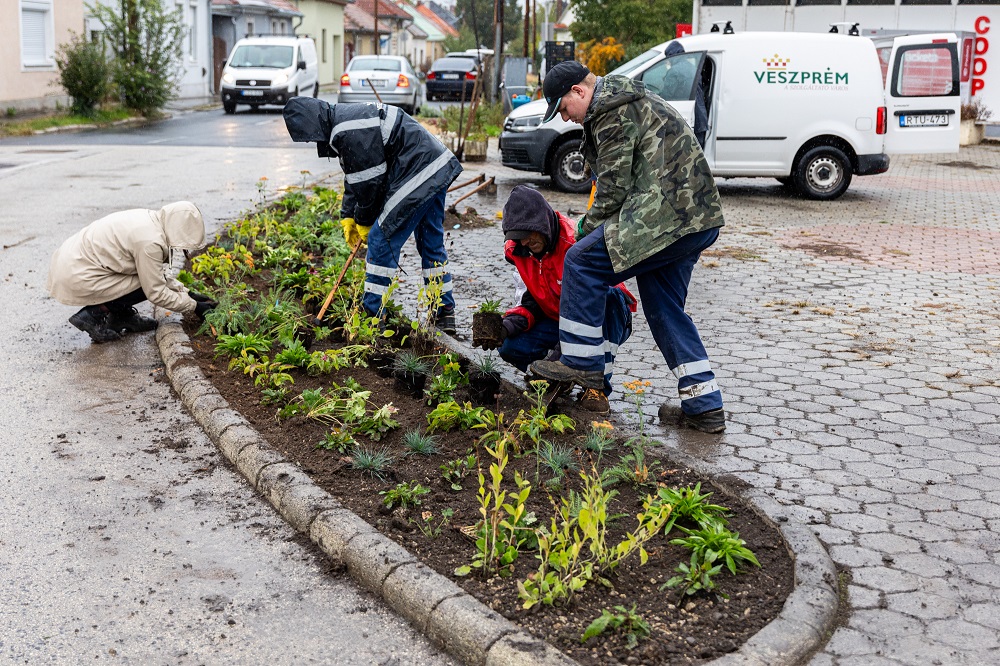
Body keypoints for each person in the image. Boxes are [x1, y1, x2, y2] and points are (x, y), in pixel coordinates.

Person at [528, 61, 727, 433]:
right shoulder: (624, 99)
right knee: (664, 307)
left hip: (666, 216)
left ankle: (582, 364)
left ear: (579, 91)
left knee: (580, 262)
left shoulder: (611, 111)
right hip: (694, 218)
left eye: (564, 108)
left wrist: (584, 229)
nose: (566, 118)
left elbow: (613, 189)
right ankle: (704, 406)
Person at [282, 98, 462, 333]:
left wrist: (364, 221)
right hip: (436, 165)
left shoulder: (345, 129)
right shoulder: (345, 120)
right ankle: (444, 312)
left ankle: (373, 316)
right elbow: (355, 174)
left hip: (416, 171)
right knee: (431, 243)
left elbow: (370, 184)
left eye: (309, 136)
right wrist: (348, 215)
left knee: (381, 239)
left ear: (311, 124)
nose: (311, 141)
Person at [485, 185, 635, 414]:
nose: (524, 243)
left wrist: (561, 355)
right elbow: (530, 301)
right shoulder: (519, 251)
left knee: (612, 299)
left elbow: (595, 302)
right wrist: (506, 327)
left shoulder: (575, 242)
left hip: (600, 317)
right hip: (557, 318)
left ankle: (596, 387)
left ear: (542, 224)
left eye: (527, 235)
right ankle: (556, 379)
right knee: (509, 347)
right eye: (518, 238)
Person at [47, 201, 216, 344]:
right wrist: (194, 306)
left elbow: (155, 272)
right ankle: (93, 315)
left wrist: (188, 293)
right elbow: (155, 291)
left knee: (145, 277)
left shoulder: (153, 221)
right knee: (145, 284)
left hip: (75, 264)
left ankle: (121, 316)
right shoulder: (150, 242)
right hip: (77, 274)